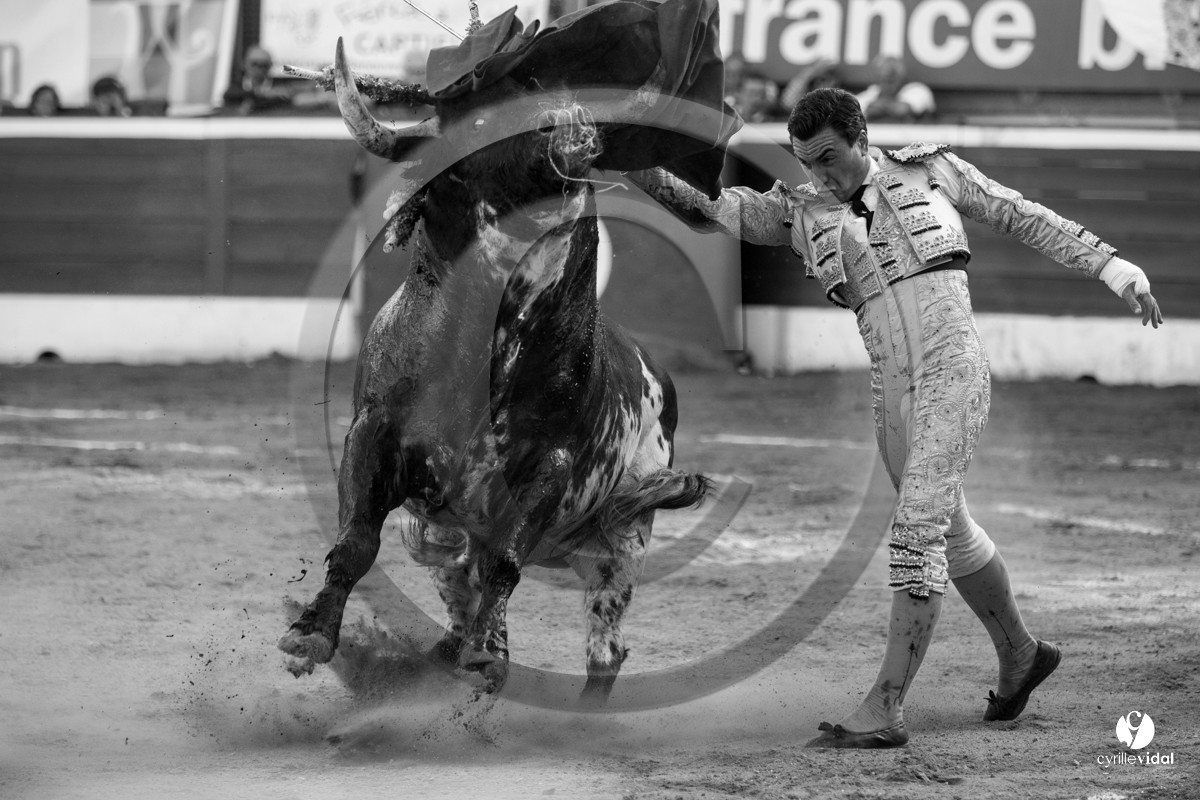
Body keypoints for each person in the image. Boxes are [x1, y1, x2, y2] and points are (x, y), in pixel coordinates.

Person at [627, 87, 1162, 748]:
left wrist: (1113, 266)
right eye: (805, 161)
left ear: (860, 137)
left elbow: (1022, 216)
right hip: (893, 396)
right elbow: (708, 209)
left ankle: (885, 705)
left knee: (916, 533)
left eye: (828, 157)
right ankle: (1022, 655)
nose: (819, 173)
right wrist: (632, 163)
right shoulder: (799, 212)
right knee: (953, 532)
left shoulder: (931, 170)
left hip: (952, 371)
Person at [855, 54, 934, 121]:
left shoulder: (918, 90)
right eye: (884, 79)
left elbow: (902, 110)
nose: (887, 85)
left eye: (891, 80)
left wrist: (880, 106)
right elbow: (852, 110)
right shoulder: (871, 93)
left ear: (901, 78)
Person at [222, 45, 295, 114]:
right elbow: (228, 97)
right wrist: (262, 93)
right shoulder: (235, 87)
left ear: (270, 66)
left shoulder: (279, 85)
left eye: (264, 65)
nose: (259, 69)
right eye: (254, 64)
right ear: (244, 64)